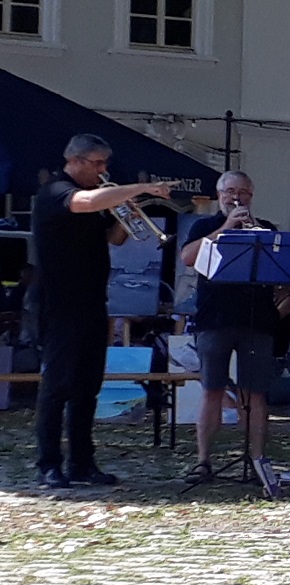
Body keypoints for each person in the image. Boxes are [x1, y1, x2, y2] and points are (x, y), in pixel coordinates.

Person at [30, 134, 172, 488]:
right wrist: (140, 188)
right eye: (97, 163)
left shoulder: (92, 200)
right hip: (60, 304)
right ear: (75, 161)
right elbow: (87, 201)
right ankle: (48, 463)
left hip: (94, 302)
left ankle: (82, 462)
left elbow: (111, 239)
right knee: (57, 386)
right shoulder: (55, 191)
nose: (103, 170)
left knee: (87, 387)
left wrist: (126, 217)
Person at [178, 171, 288, 485]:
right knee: (212, 390)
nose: (235, 197)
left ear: (252, 196)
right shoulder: (204, 226)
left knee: (255, 394)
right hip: (214, 319)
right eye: (229, 192)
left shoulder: (265, 229)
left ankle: (257, 460)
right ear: (219, 194)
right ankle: (203, 461)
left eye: (242, 192)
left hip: (257, 320)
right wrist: (225, 229)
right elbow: (187, 258)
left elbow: (283, 273)